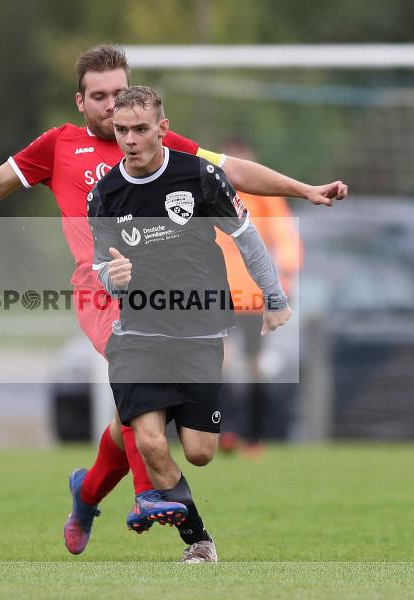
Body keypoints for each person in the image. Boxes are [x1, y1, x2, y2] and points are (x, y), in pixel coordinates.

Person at [0, 44, 347, 555]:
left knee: (136, 417)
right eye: (100, 97)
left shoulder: (157, 142)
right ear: (80, 101)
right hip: (102, 293)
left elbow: (234, 172)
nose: (113, 107)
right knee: (143, 405)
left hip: (172, 302)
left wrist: (303, 189)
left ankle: (88, 491)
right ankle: (148, 495)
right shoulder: (58, 146)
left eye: (119, 93)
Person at [89, 86, 291, 562]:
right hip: (138, 336)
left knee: (200, 451)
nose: (131, 139)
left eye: (141, 129)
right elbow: (100, 265)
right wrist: (111, 277)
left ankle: (154, 440)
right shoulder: (105, 194)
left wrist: (275, 297)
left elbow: (246, 237)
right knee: (154, 444)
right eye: (122, 131)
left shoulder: (201, 176)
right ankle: (199, 542)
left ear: (163, 128)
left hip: (200, 333)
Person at [215, 136, 303, 454]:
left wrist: (286, 279)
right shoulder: (208, 190)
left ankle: (253, 437)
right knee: (219, 361)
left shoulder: (262, 196)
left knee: (254, 365)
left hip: (252, 296)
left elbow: (284, 236)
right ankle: (224, 431)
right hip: (217, 293)